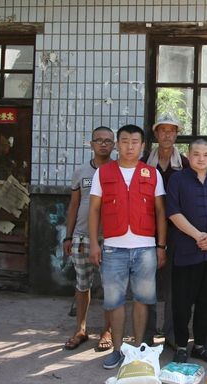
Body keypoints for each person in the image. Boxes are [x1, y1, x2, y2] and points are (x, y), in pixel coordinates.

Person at [88, 124, 167, 369]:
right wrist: (94, 243)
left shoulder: (152, 174)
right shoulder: (103, 173)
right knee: (114, 302)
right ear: (117, 145)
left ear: (142, 146)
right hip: (113, 248)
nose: (129, 146)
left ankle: (139, 349)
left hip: (145, 248)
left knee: (143, 300)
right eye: (124, 141)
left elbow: (160, 212)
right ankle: (118, 350)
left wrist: (161, 246)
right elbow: (94, 209)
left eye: (134, 142)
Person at [167, 139, 207, 364]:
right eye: (196, 154)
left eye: (206, 154)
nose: (201, 158)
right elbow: (173, 212)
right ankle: (181, 346)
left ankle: (200, 346)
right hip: (186, 251)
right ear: (188, 154)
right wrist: (198, 236)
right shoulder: (177, 179)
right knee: (182, 302)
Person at [62, 126, 114, 352]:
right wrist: (68, 236)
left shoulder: (118, 171)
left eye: (108, 141)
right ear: (91, 144)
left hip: (110, 239)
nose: (103, 144)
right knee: (83, 284)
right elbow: (74, 205)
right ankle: (80, 329)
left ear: (114, 145)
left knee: (111, 287)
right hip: (81, 237)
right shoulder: (81, 171)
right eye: (98, 140)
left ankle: (107, 331)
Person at [142, 115, 189, 347]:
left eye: (172, 131)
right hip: (146, 232)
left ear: (176, 135)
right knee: (146, 283)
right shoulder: (143, 163)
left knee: (174, 285)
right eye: (163, 130)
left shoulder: (185, 164)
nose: (167, 135)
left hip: (177, 232)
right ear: (156, 134)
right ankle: (146, 334)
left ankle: (170, 334)